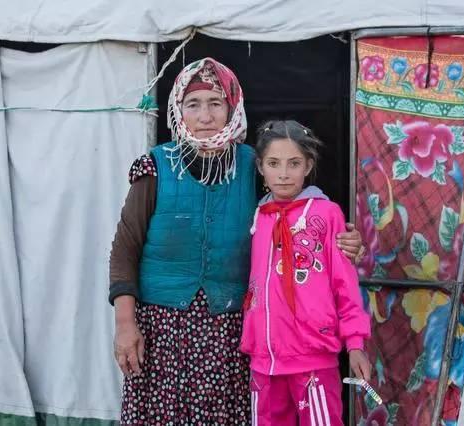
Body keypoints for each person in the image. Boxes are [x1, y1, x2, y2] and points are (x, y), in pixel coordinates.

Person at [108, 58, 364, 425]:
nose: (205, 116)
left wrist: (341, 238)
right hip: (160, 329)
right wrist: (125, 324)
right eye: (193, 104)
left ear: (231, 107)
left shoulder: (251, 165)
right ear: (178, 109)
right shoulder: (155, 167)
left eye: (215, 103)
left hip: (228, 330)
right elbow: (125, 248)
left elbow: (294, 205)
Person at [240, 120, 371, 426]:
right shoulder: (258, 217)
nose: (283, 173)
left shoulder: (326, 214)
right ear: (260, 167)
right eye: (274, 163)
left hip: (312, 356)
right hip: (264, 361)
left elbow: (345, 285)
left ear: (308, 166)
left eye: (294, 163)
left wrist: (355, 344)